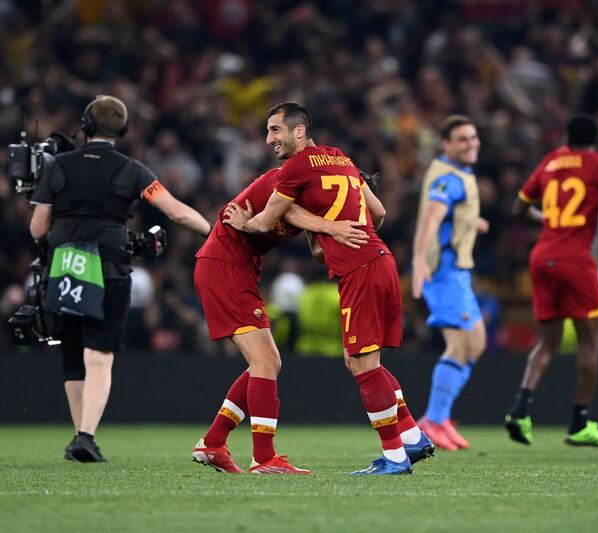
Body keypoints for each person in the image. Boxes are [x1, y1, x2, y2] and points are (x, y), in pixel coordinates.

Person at [224, 102, 433, 475]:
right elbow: (379, 211)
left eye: (275, 130)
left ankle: (395, 457)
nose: (269, 139)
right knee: (359, 361)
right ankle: (413, 436)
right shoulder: (341, 159)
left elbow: (267, 222)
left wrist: (244, 223)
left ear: (299, 130)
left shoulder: (297, 167)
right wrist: (347, 237)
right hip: (380, 259)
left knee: (364, 365)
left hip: (360, 270)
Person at [28, 95, 212, 462]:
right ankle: (85, 436)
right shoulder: (133, 170)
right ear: (123, 130)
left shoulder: (57, 166)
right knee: (99, 355)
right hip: (109, 269)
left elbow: (37, 229)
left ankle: (80, 435)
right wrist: (212, 230)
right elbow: (175, 212)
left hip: (65, 268)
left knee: (73, 356)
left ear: (86, 125)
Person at [191, 167, 369, 474]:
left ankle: (213, 443)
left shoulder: (314, 205)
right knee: (265, 361)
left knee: (267, 362)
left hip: (237, 268)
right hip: (224, 265)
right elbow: (286, 212)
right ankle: (263, 457)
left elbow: (318, 252)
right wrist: (332, 226)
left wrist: (344, 237)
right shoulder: (288, 178)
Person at [504, 114, 598, 446]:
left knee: (546, 342)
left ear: (567, 138)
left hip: (542, 256)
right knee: (590, 341)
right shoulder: (597, 162)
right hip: (575, 259)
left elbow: (519, 207)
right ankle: (580, 422)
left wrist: (547, 219)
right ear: (595, 140)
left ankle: (520, 410)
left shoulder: (550, 161)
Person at [411, 115, 489, 451]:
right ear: (446, 144)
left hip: (457, 271)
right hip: (442, 272)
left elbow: (451, 215)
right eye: (462, 139)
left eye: (473, 137)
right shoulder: (449, 180)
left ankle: (439, 417)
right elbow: (432, 218)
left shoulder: (457, 173)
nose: (471, 144)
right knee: (459, 345)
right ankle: (433, 420)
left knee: (477, 343)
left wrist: (472, 222)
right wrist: (418, 260)